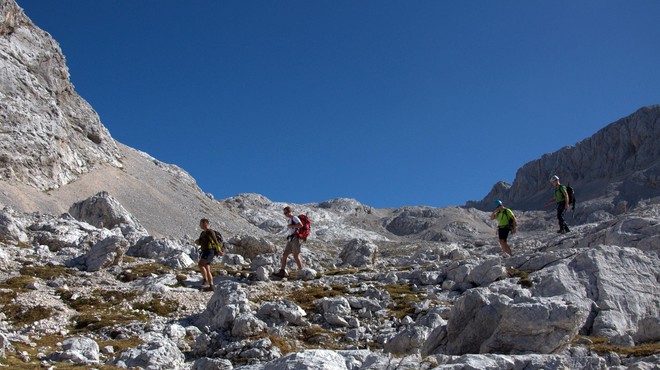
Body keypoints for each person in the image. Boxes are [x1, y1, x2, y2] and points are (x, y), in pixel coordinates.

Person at [274, 206, 304, 278]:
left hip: (295, 239)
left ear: (290, 211)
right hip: (290, 239)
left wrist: (292, 226)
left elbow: (301, 225)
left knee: (296, 256)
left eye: (286, 212)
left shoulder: (295, 218)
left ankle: (302, 272)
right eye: (284, 213)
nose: (285, 214)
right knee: (285, 255)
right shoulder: (290, 219)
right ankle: (282, 271)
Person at [194, 218, 223, 291]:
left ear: (205, 223)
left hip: (209, 251)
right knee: (207, 268)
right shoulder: (203, 233)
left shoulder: (210, 231)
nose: (199, 225)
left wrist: (219, 250)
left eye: (201, 223)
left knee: (201, 264)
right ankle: (211, 286)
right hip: (205, 251)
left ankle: (205, 280)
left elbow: (215, 241)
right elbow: (201, 242)